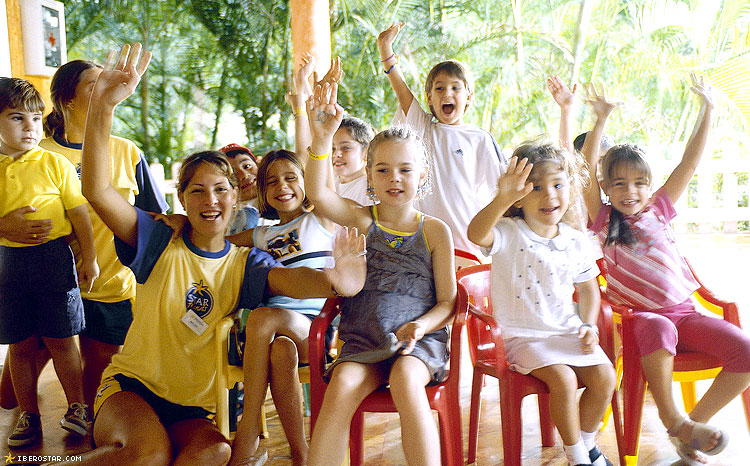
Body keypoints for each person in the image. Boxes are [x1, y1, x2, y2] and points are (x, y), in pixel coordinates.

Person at [55, 43, 366, 466]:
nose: (210, 200)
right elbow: (97, 190)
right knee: (149, 455)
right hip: (130, 389)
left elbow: (291, 280)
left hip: (191, 410)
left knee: (215, 452)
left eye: (221, 189)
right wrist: (104, 109)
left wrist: (336, 280)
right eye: (196, 190)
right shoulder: (157, 239)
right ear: (181, 198)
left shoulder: (246, 262)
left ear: (237, 198)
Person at [582, 76, 750, 466]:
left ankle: (689, 429)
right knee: (660, 328)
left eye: (640, 183)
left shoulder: (660, 208)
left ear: (651, 185)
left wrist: (708, 110)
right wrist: (601, 119)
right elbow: (584, 170)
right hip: (641, 320)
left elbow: (690, 161)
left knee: (744, 352)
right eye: (620, 183)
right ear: (607, 186)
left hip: (685, 312)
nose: (631, 191)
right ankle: (672, 418)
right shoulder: (603, 218)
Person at [303, 82, 457, 466]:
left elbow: (448, 302)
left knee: (406, 381)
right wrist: (321, 138)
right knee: (341, 386)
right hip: (363, 340)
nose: (394, 178)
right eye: (383, 169)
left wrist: (421, 326)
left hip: (417, 345)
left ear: (422, 174)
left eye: (405, 169)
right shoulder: (360, 219)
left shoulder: (435, 231)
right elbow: (319, 194)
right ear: (369, 175)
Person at [29, 59, 167, 412]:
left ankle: (88, 430)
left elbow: (156, 217)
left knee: (96, 389)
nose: (106, 88)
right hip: (48, 284)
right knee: (10, 395)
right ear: (67, 99)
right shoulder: (37, 155)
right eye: (94, 84)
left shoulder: (128, 151)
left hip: (112, 286)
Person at [467, 141, 616, 466]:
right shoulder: (508, 231)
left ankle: (586, 444)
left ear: (570, 187)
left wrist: (588, 324)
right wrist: (501, 198)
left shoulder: (575, 239)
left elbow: (590, 291)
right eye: (536, 188)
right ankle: (578, 457)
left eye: (558, 185)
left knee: (606, 378)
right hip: (523, 337)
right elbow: (476, 234)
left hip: (567, 332)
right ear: (519, 196)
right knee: (562, 380)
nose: (549, 196)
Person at [0, 77, 99, 447]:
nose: (29, 128)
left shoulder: (55, 163)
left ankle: (78, 408)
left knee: (62, 340)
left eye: (36, 119)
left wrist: (89, 257)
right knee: (21, 345)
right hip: (8, 264)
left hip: (54, 261)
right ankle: (29, 414)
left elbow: (79, 214)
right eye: (16, 118)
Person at [227, 148, 337, 466]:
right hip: (280, 335)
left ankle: (247, 433)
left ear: (306, 183)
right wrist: (179, 222)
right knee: (280, 353)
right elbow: (215, 242)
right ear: (263, 192)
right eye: (272, 181)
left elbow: (320, 170)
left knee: (261, 317)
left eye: (291, 178)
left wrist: (310, 121)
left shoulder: (321, 219)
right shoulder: (264, 234)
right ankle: (300, 451)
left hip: (314, 328)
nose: (282, 186)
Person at [377, 22, 506, 259]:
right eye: (439, 89)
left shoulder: (480, 139)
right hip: (424, 246)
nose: (447, 94)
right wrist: (386, 51)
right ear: (429, 98)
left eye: (455, 88)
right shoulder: (423, 128)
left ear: (468, 97)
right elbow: (402, 91)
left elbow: (501, 191)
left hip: (468, 244)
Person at [219, 143, 267, 234]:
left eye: (247, 166)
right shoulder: (229, 217)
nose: (244, 175)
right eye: (233, 174)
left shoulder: (280, 198)